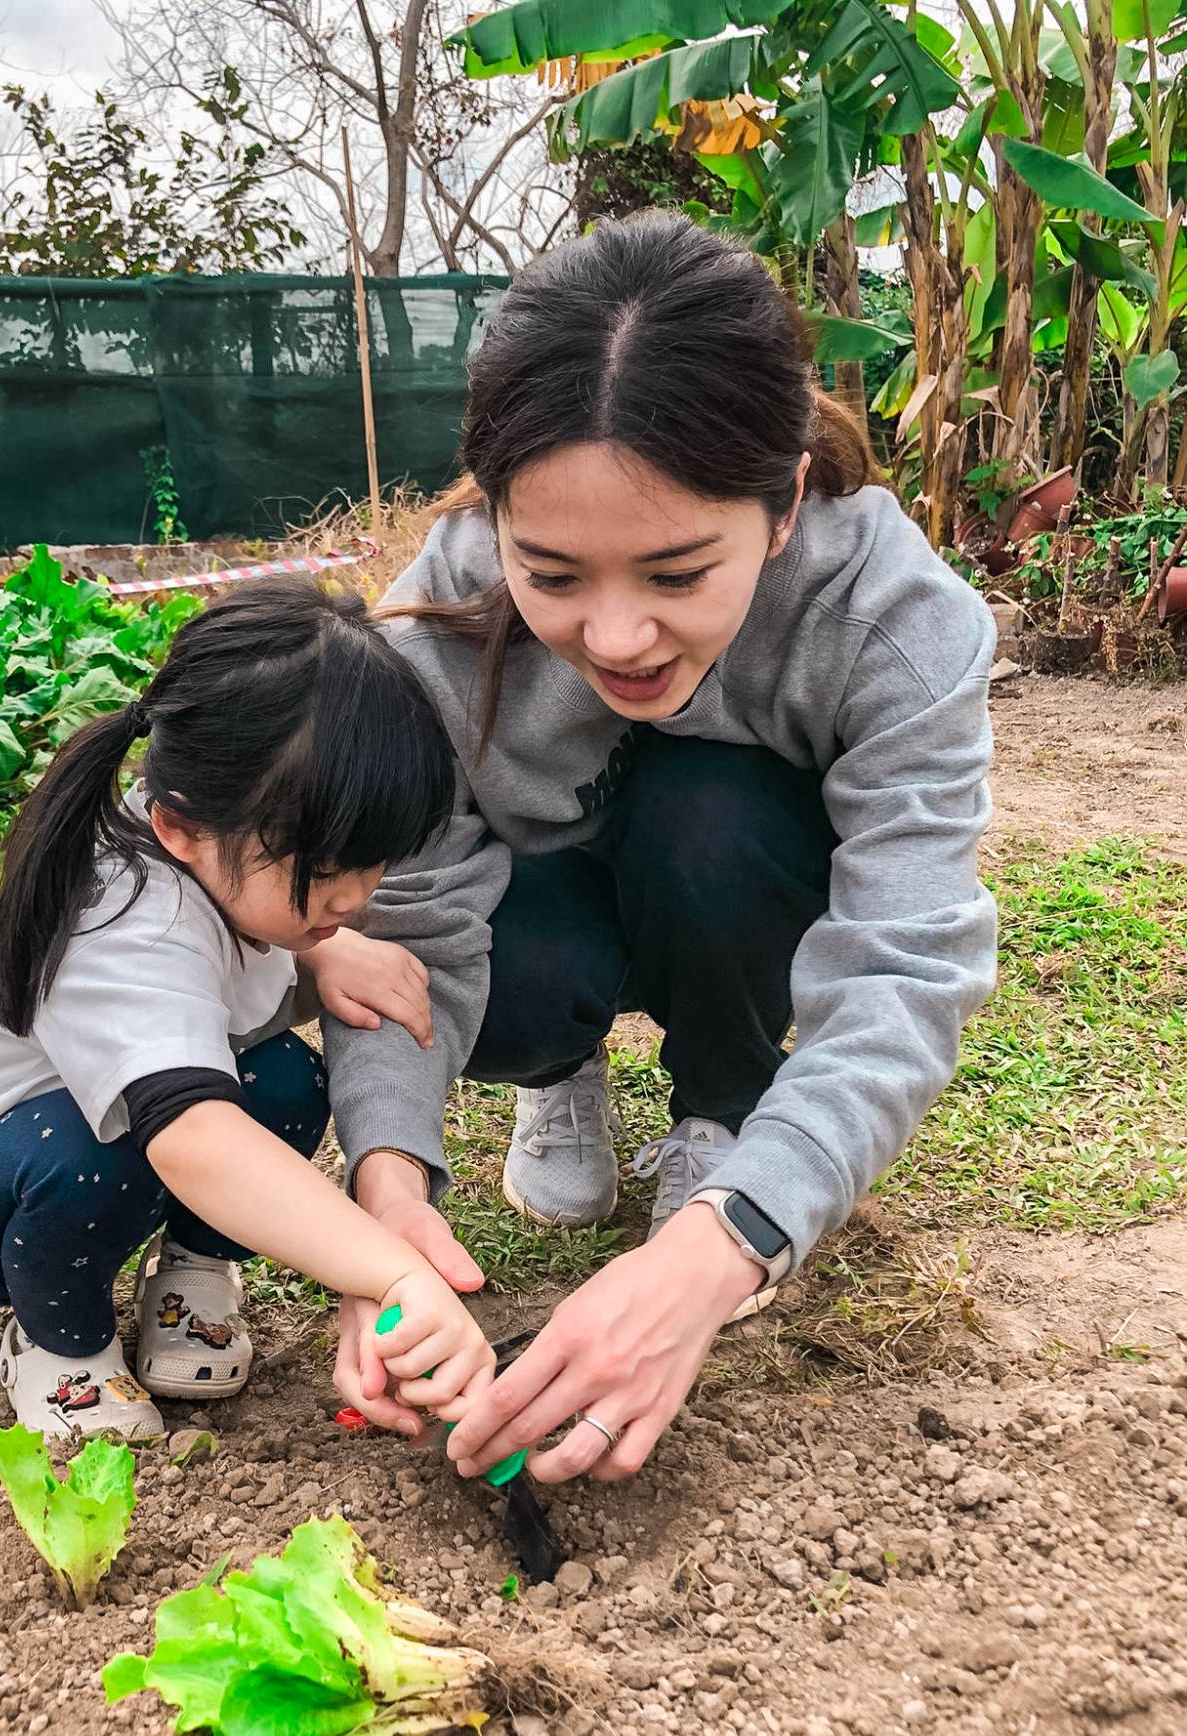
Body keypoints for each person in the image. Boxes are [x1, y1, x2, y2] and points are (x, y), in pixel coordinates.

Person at [325, 212, 999, 1487]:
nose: (619, 634)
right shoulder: (447, 609)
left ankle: (721, 1113)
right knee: (497, 972)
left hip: (736, 888)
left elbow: (906, 960)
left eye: (679, 570)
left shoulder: (896, 623)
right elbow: (404, 930)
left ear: (786, 500)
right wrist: (387, 1202)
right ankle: (558, 1068)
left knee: (716, 814)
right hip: (553, 898)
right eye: (557, 574)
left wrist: (728, 1238)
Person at [0, 579, 495, 1441]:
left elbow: (224, 1003)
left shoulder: (214, 864)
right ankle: (60, 1345)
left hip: (106, 1147)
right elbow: (194, 1140)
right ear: (179, 827)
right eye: (320, 868)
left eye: (373, 859)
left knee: (283, 1080)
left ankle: (191, 1282)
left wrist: (317, 949)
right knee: (110, 1143)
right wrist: (391, 1274)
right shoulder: (124, 917)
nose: (353, 895)